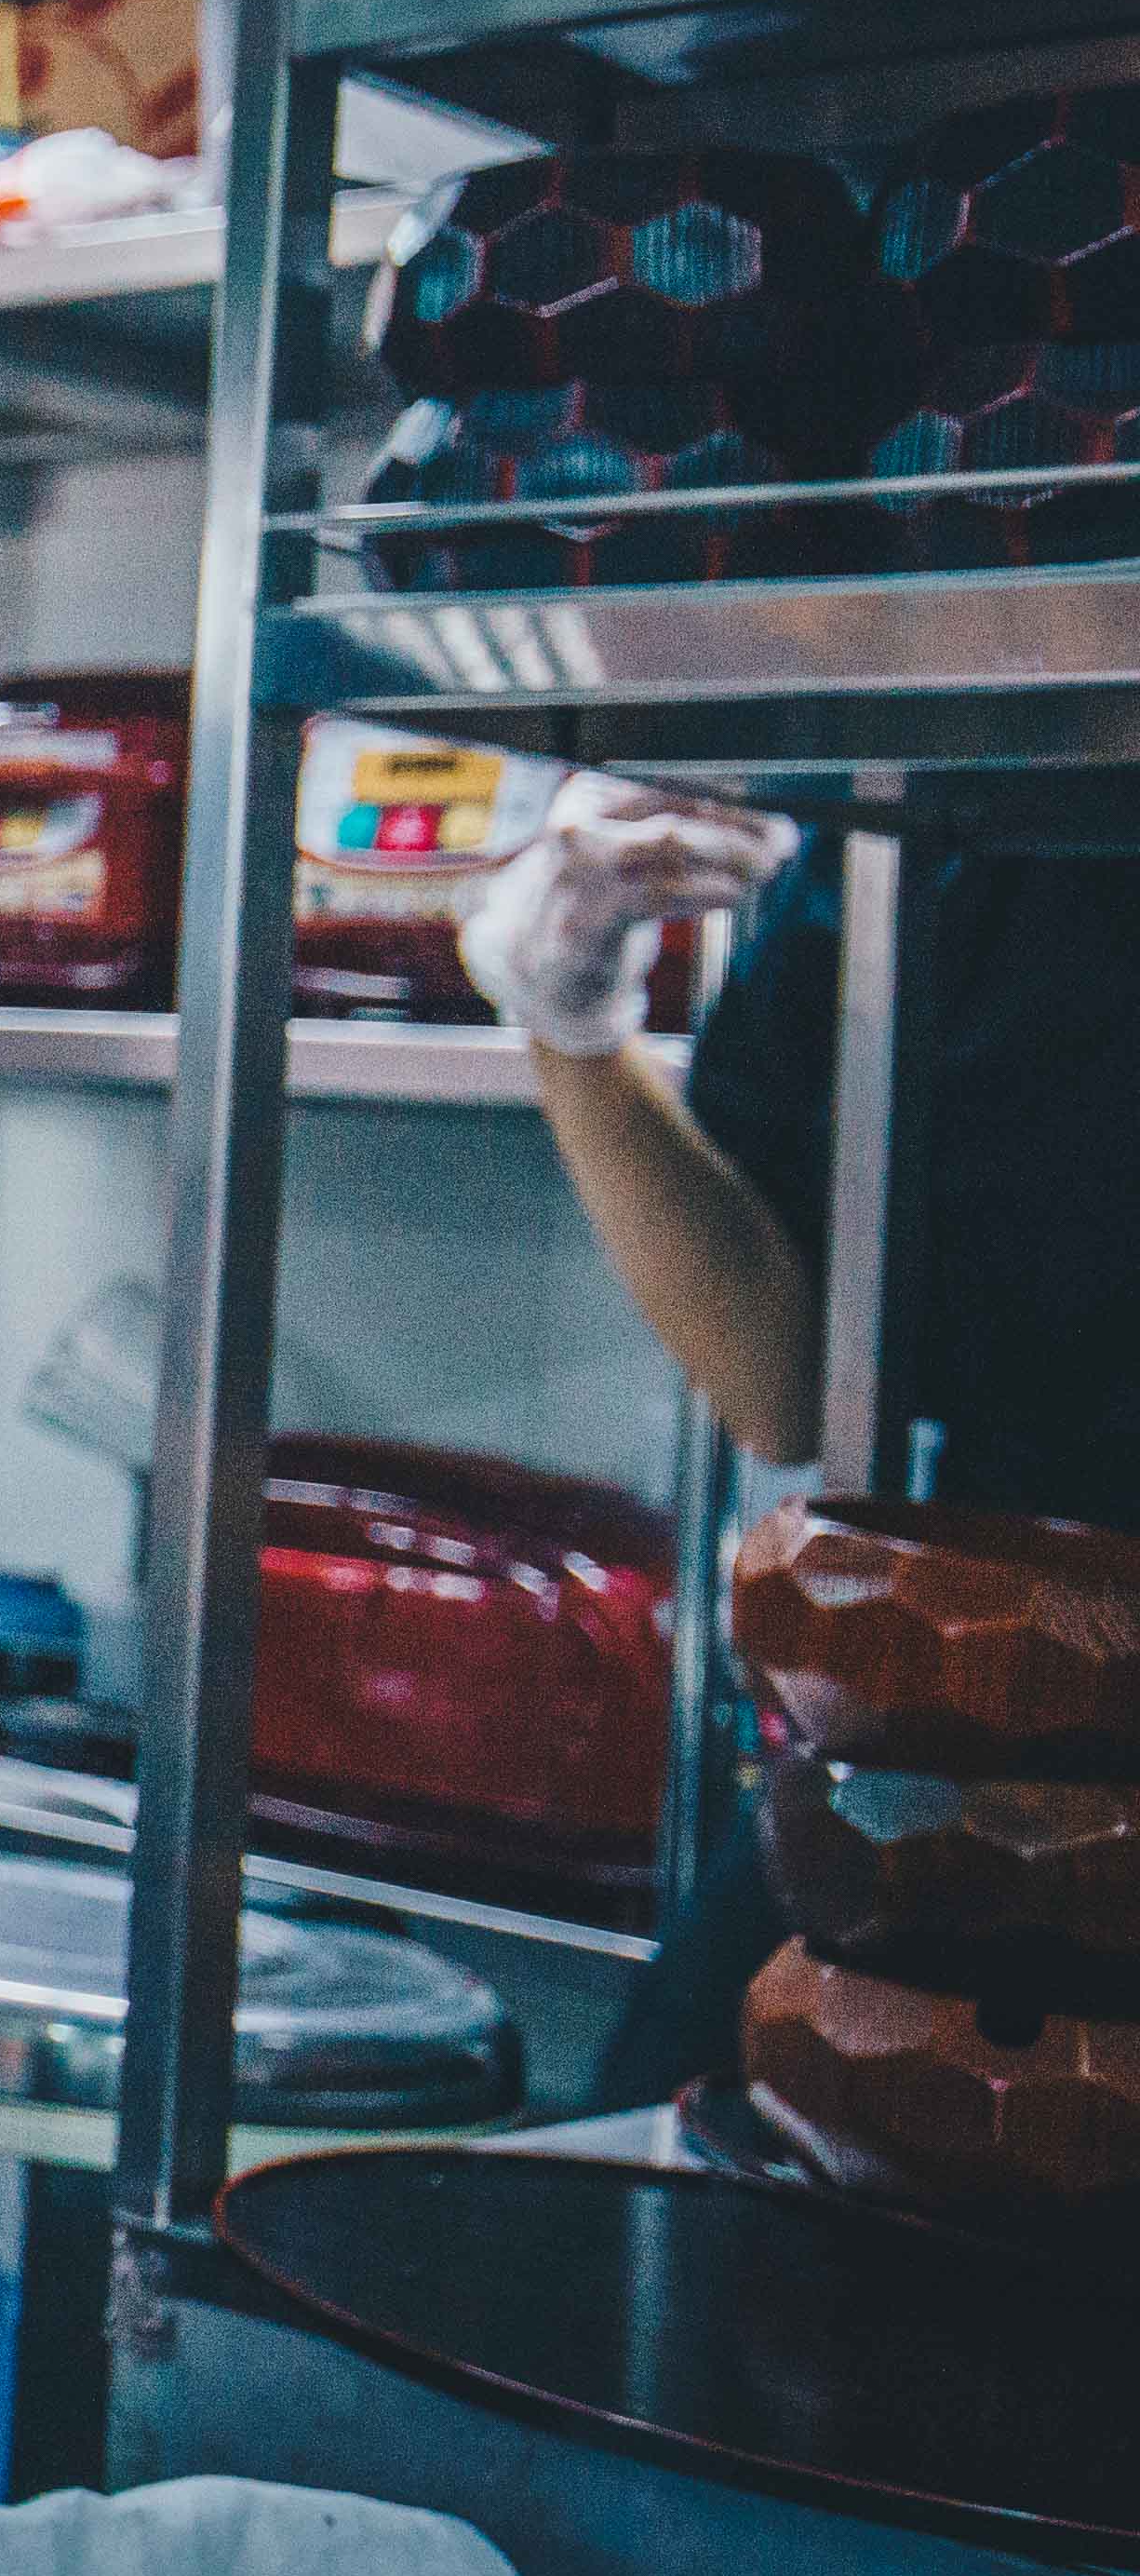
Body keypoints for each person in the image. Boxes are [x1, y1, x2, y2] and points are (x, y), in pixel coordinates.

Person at [460, 775, 1140, 2095]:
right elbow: (780, 1375)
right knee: (675, 2189)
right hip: (998, 1671)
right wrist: (569, 1012)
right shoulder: (935, 810)